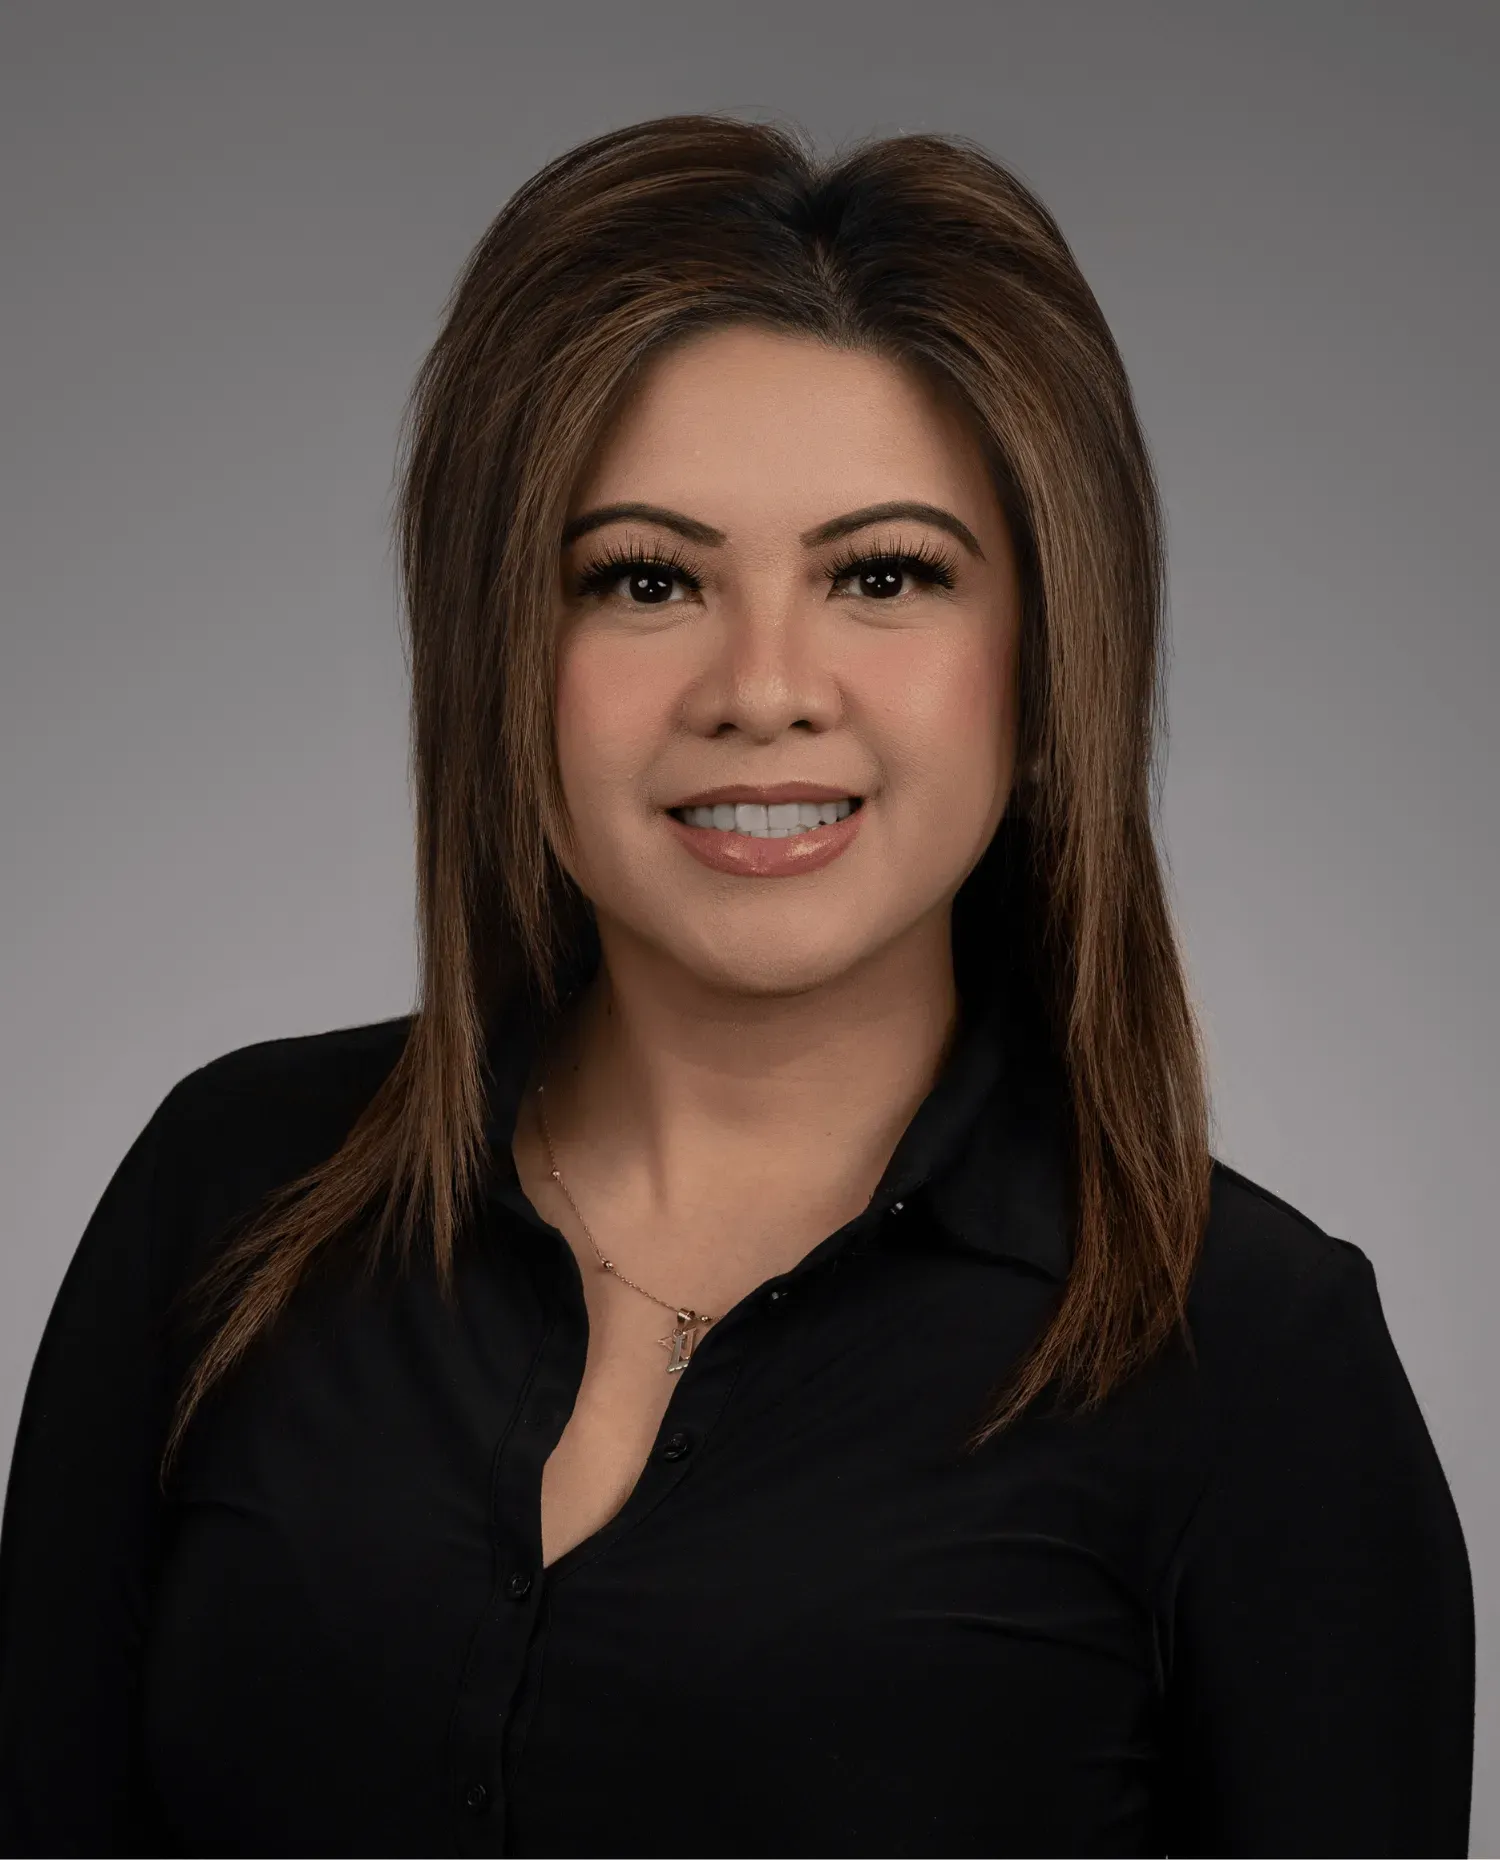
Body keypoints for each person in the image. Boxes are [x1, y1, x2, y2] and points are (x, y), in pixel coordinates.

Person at [0, 113, 1474, 1859]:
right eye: (645, 579)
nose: (763, 688)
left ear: (1048, 648)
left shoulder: (1253, 1359)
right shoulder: (232, 1194)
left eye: (883, 576)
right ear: (505, 651)